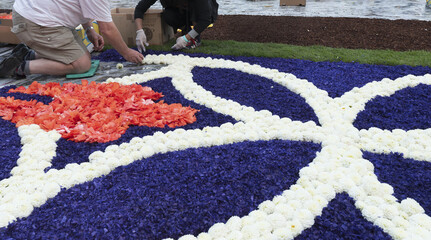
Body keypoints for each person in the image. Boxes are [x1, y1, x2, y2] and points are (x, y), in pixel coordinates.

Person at [0, 0, 144, 78]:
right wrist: (126, 52)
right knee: (82, 65)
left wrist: (89, 29)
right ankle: (19, 67)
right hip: (36, 22)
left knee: (84, 55)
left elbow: (79, 6)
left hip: (39, 17)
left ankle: (27, 54)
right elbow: (107, 29)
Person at [134, 0, 218, 52]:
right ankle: (185, 29)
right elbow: (140, 8)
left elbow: (205, 20)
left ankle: (194, 37)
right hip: (182, 12)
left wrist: (186, 38)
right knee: (168, 15)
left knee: (195, 9)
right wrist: (139, 31)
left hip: (202, 11)